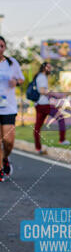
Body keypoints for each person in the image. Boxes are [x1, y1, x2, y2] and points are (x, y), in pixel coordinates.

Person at [0, 36, 24, 182]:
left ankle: (5, 157)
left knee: (9, 141)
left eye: (2, 46)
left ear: (5, 48)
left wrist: (15, 81)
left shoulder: (11, 63)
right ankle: (1, 170)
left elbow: (21, 78)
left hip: (8, 108)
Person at [33, 62, 70, 153]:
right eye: (48, 67)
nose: (50, 69)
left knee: (37, 126)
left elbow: (43, 91)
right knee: (60, 117)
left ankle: (38, 148)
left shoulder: (41, 77)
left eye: (50, 67)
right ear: (43, 68)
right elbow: (42, 91)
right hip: (44, 105)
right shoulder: (42, 77)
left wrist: (53, 95)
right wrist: (55, 94)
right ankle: (62, 140)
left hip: (39, 104)